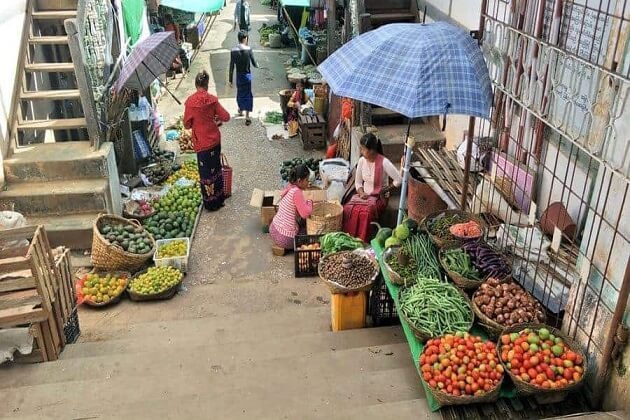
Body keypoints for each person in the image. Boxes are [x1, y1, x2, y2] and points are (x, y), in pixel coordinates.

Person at [183, 71, 231, 211]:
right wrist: (213, 117)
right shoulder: (212, 100)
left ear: (196, 84)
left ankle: (210, 204)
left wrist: (195, 121)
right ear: (207, 84)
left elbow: (186, 124)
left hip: (201, 143)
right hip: (214, 140)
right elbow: (226, 117)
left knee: (205, 173)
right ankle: (219, 199)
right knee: (216, 169)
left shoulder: (190, 102)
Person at [342, 133, 402, 242]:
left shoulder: (384, 162)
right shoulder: (361, 161)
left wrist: (385, 190)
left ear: (372, 150)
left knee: (366, 212)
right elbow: (358, 183)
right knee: (347, 208)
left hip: (379, 198)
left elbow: (399, 180)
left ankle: (362, 240)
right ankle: (349, 238)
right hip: (364, 196)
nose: (361, 152)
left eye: (363, 149)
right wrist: (361, 193)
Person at [269, 165, 313, 251]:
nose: (308, 183)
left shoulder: (290, 186)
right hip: (285, 238)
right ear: (300, 181)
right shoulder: (297, 192)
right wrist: (310, 202)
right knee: (308, 230)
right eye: (307, 180)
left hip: (274, 229)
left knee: (300, 222)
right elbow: (305, 214)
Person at [229, 31, 258, 126]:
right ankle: (247, 116)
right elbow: (254, 63)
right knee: (248, 95)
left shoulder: (233, 50)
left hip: (239, 76)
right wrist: (257, 65)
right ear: (245, 38)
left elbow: (231, 66)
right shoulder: (249, 49)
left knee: (240, 93)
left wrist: (230, 80)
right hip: (247, 76)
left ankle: (241, 110)